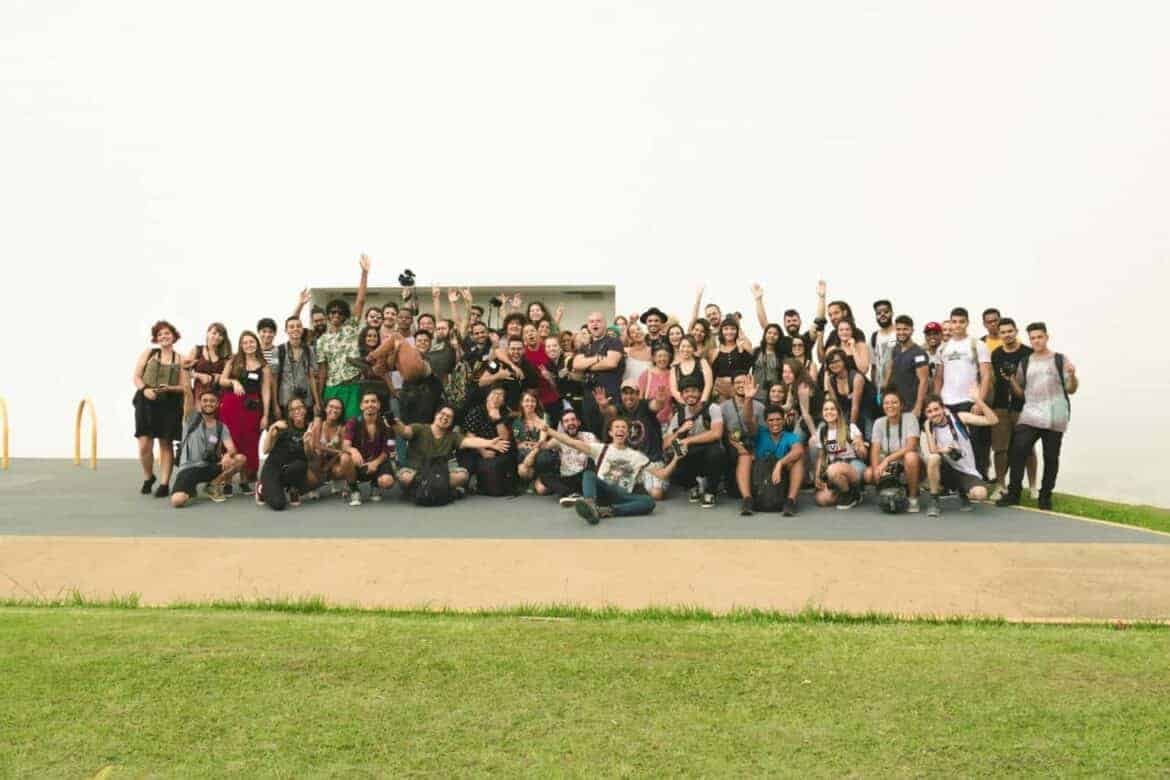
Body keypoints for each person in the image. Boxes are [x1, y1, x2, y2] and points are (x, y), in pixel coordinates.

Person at [996, 322, 1078, 511]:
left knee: (1051, 457)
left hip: (1056, 413)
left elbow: (1071, 389)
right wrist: (1011, 380)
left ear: (1046, 337)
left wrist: (1072, 376)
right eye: (1032, 338)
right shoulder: (1026, 362)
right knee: (1017, 451)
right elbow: (1020, 393)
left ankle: (1045, 496)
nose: (1036, 341)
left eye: (1039, 337)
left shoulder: (1060, 359)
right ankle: (1014, 493)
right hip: (1031, 412)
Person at [541, 417, 680, 524]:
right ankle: (590, 503)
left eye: (624, 427)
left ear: (628, 432)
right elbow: (570, 442)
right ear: (611, 432)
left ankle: (606, 512)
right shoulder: (601, 448)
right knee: (588, 474)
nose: (620, 429)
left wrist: (676, 458)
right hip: (602, 491)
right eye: (617, 427)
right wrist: (549, 430)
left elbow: (662, 474)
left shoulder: (638, 456)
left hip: (622, 496)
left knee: (649, 502)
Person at [394, 405, 510, 497]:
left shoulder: (453, 436)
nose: (445, 418)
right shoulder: (419, 428)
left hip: (439, 474)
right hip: (417, 472)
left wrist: (489, 443)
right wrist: (395, 424)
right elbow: (405, 431)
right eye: (443, 414)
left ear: (451, 422)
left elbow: (470, 441)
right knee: (405, 477)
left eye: (449, 417)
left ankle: (422, 489)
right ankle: (441, 490)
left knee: (463, 476)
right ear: (436, 415)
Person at [934, 307, 993, 479]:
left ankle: (979, 478)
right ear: (950, 323)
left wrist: (979, 402)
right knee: (949, 443)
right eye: (954, 321)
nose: (957, 325)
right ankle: (951, 481)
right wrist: (937, 403)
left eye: (961, 321)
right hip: (947, 402)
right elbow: (938, 378)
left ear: (967, 323)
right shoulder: (943, 348)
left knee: (975, 443)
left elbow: (986, 375)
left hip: (969, 401)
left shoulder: (977, 345)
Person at [133, 320, 190, 497]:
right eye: (160, 335)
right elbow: (136, 376)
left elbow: (185, 387)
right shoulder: (149, 353)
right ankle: (149, 477)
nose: (164, 337)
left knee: (165, 443)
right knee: (144, 444)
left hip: (170, 403)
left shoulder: (180, 358)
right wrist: (145, 389)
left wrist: (169, 389)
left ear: (173, 336)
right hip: (146, 400)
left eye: (167, 333)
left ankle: (164, 484)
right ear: (156, 339)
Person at [922, 389, 998, 517]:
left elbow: (993, 420)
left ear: (943, 409)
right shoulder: (929, 425)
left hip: (966, 471)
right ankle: (934, 499)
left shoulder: (959, 417)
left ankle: (963, 492)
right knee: (933, 458)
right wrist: (943, 449)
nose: (934, 414)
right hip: (947, 469)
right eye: (929, 411)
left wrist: (979, 401)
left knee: (980, 494)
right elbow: (933, 451)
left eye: (936, 409)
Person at [170, 390, 247, 508]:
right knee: (177, 501)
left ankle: (212, 486)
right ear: (199, 403)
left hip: (208, 466)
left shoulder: (221, 427)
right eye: (205, 401)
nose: (208, 403)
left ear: (218, 404)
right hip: (189, 468)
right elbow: (187, 393)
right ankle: (189, 491)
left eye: (212, 401)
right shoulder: (191, 419)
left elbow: (232, 448)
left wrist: (227, 455)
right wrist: (185, 371)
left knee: (240, 459)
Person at [316, 254, 370, 420]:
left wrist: (364, 273)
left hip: (352, 386)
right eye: (333, 312)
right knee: (332, 425)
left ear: (345, 315)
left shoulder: (351, 328)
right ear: (328, 315)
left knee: (352, 425)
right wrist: (319, 398)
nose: (336, 315)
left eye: (340, 312)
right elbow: (323, 370)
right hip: (332, 388)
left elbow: (360, 302)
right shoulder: (322, 340)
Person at [988, 317, 1037, 500]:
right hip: (1000, 407)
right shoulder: (996, 354)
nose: (1007, 335)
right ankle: (1000, 485)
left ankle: (1033, 487)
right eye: (1003, 332)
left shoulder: (1028, 353)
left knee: (1028, 448)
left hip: (1023, 408)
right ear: (999, 334)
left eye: (1010, 331)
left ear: (1016, 331)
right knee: (1000, 449)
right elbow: (993, 380)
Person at [217, 330, 272, 494]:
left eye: (251, 342)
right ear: (241, 345)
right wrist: (234, 382)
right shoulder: (233, 360)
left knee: (248, 442)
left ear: (257, 343)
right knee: (230, 442)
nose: (249, 345)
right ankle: (226, 481)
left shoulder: (264, 366)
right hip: (231, 406)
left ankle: (243, 480)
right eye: (245, 342)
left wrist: (266, 415)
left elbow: (266, 392)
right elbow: (221, 380)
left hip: (252, 408)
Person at [599, 379, 671, 500]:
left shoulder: (644, 406)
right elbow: (608, 412)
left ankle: (639, 486)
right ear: (621, 395)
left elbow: (655, 405)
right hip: (630, 462)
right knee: (609, 491)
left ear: (638, 394)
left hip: (651, 462)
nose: (628, 396)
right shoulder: (619, 408)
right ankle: (636, 485)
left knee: (656, 494)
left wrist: (660, 400)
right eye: (625, 393)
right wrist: (603, 405)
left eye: (632, 393)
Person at [663, 375, 725, 508]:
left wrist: (688, 440)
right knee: (674, 455)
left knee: (716, 453)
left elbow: (716, 433)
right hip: (690, 453)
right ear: (682, 395)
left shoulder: (712, 408)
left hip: (708, 450)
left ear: (700, 392)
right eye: (686, 391)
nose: (690, 394)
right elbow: (665, 444)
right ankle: (692, 485)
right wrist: (680, 431)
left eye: (694, 390)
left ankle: (711, 491)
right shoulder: (679, 415)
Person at [865, 390, 923, 512]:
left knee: (911, 456)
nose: (890, 406)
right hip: (891, 466)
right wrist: (876, 470)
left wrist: (887, 460)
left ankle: (913, 498)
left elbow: (911, 446)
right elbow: (875, 449)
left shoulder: (910, 418)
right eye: (886, 403)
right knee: (868, 474)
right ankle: (888, 494)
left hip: (910, 464)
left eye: (894, 402)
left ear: (901, 405)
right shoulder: (879, 422)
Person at [522, 408, 597, 501]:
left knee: (591, 462)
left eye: (573, 420)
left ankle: (578, 494)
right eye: (566, 421)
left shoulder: (589, 436)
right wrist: (537, 445)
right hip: (568, 478)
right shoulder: (558, 439)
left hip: (585, 475)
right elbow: (545, 445)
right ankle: (571, 494)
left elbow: (597, 454)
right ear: (563, 425)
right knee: (546, 477)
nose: (570, 423)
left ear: (578, 422)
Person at [573, 311, 625, 437]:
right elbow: (576, 365)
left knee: (609, 435)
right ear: (588, 325)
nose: (595, 324)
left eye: (598, 321)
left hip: (609, 397)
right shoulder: (586, 346)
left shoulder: (614, 342)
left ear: (605, 324)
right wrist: (597, 359)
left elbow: (611, 363)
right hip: (589, 399)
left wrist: (586, 365)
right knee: (592, 437)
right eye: (591, 321)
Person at [751, 405, 807, 516]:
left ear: (783, 420)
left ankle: (790, 501)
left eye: (778, 419)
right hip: (761, 478)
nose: (775, 423)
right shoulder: (760, 433)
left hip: (781, 478)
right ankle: (748, 500)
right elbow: (748, 422)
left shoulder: (790, 436)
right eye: (771, 420)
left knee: (798, 460)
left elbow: (798, 450)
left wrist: (780, 463)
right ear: (766, 422)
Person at [342, 392, 396, 506]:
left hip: (379, 462)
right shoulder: (353, 422)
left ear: (379, 405)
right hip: (360, 463)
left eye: (373, 401)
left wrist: (376, 463)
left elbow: (389, 449)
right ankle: (354, 490)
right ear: (361, 406)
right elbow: (345, 445)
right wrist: (353, 450)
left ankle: (375, 483)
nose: (370, 404)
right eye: (366, 402)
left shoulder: (386, 423)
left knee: (387, 482)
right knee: (345, 458)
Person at [812, 398, 867, 509]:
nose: (829, 412)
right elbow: (821, 456)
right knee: (821, 499)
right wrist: (817, 476)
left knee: (833, 470)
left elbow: (864, 455)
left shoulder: (850, 428)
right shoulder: (822, 431)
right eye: (826, 409)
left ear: (838, 412)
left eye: (832, 409)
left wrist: (859, 446)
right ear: (822, 413)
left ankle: (849, 494)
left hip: (853, 465)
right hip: (833, 468)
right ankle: (852, 494)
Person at [258, 397, 312, 510]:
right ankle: (262, 488)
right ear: (290, 414)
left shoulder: (310, 428)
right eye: (293, 410)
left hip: (290, 469)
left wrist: (307, 443)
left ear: (305, 409)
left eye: (300, 407)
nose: (297, 411)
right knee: (278, 504)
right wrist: (272, 427)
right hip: (273, 467)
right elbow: (265, 450)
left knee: (301, 465)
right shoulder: (282, 426)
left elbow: (309, 457)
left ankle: (292, 488)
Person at [722, 375, 764, 513]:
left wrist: (753, 451)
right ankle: (747, 498)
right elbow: (723, 434)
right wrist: (740, 448)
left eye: (744, 382)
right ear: (732, 386)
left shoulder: (759, 407)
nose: (741, 385)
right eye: (737, 382)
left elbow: (762, 433)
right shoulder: (723, 407)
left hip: (755, 446)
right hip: (732, 449)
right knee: (733, 492)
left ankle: (749, 496)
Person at [304, 397, 357, 499]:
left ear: (341, 411)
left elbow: (342, 450)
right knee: (317, 452)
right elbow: (315, 445)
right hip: (315, 459)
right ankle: (313, 485)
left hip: (332, 460)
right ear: (325, 408)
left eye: (338, 408)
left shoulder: (342, 427)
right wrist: (337, 451)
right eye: (331, 406)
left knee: (341, 465)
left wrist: (328, 465)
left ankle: (336, 480)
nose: (334, 410)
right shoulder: (318, 422)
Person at [275, 315, 322, 419]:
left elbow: (312, 377)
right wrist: (275, 404)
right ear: (286, 330)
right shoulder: (278, 351)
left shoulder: (310, 350)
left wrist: (317, 402)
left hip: (305, 401)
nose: (295, 329)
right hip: (285, 401)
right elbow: (274, 379)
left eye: (298, 326)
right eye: (291, 327)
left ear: (302, 329)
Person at [884, 315, 930, 420]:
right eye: (899, 329)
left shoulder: (919, 354)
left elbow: (924, 381)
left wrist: (918, 407)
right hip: (895, 406)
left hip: (911, 407)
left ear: (912, 330)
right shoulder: (896, 349)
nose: (901, 332)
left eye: (905, 329)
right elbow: (890, 368)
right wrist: (884, 389)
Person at [822, 348, 870, 438]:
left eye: (837, 361)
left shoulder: (857, 378)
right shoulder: (830, 380)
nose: (834, 365)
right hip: (846, 411)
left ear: (844, 361)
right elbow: (836, 405)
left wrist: (851, 428)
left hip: (866, 410)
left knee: (868, 435)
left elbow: (855, 406)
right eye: (831, 363)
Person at [522, 323, 562, 425]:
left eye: (532, 331)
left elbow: (558, 377)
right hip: (534, 402)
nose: (530, 334)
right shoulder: (522, 354)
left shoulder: (547, 348)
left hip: (553, 399)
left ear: (538, 333)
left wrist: (549, 377)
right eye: (526, 332)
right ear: (524, 338)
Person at [184, 322, 230, 406]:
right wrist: (198, 375)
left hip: (218, 396)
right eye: (214, 333)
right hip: (199, 395)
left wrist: (215, 377)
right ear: (208, 333)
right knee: (199, 417)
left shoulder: (225, 356)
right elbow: (184, 370)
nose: (217, 337)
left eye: (220, 335)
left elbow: (227, 377)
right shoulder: (197, 350)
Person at [709, 317, 754, 402]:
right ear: (721, 331)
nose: (729, 332)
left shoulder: (743, 346)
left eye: (733, 329)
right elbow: (713, 374)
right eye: (726, 329)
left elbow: (747, 368)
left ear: (737, 331)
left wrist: (741, 351)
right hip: (720, 392)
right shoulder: (715, 351)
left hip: (739, 390)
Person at [512, 390, 549, 484]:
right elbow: (518, 444)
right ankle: (532, 481)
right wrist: (522, 445)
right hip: (525, 453)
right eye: (527, 401)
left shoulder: (544, 417)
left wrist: (532, 453)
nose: (530, 404)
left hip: (541, 454)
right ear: (522, 403)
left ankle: (540, 479)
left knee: (542, 490)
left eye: (533, 401)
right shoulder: (517, 421)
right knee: (522, 470)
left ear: (536, 403)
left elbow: (542, 441)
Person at [669, 336, 713, 407]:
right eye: (683, 346)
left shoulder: (702, 362)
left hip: (702, 404)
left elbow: (708, 385)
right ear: (679, 348)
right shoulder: (674, 368)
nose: (686, 349)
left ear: (694, 349)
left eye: (689, 346)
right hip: (683, 406)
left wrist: (701, 403)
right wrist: (687, 405)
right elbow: (674, 390)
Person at [638, 344, 674, 425]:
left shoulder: (673, 373)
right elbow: (640, 397)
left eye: (665, 356)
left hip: (668, 420)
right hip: (649, 419)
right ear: (654, 358)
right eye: (659, 356)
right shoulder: (647, 374)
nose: (662, 359)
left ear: (669, 357)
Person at [751, 323, 785, 402]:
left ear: (779, 337)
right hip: (755, 393)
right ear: (765, 334)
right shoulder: (756, 351)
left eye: (775, 334)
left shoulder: (781, 355)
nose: (772, 335)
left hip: (773, 395)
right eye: (769, 333)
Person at [869, 300, 897, 395]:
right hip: (879, 388)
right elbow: (873, 366)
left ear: (892, 313)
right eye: (878, 313)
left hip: (897, 386)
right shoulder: (874, 336)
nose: (882, 315)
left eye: (886, 312)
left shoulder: (899, 333)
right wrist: (873, 386)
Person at [623, 320, 653, 386]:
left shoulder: (653, 351)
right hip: (628, 392)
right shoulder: (625, 351)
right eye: (632, 332)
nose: (637, 332)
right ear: (630, 337)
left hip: (645, 391)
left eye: (638, 329)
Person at [923, 321, 944, 386]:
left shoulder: (946, 352)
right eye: (928, 334)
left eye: (935, 334)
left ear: (941, 335)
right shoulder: (921, 354)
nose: (932, 337)